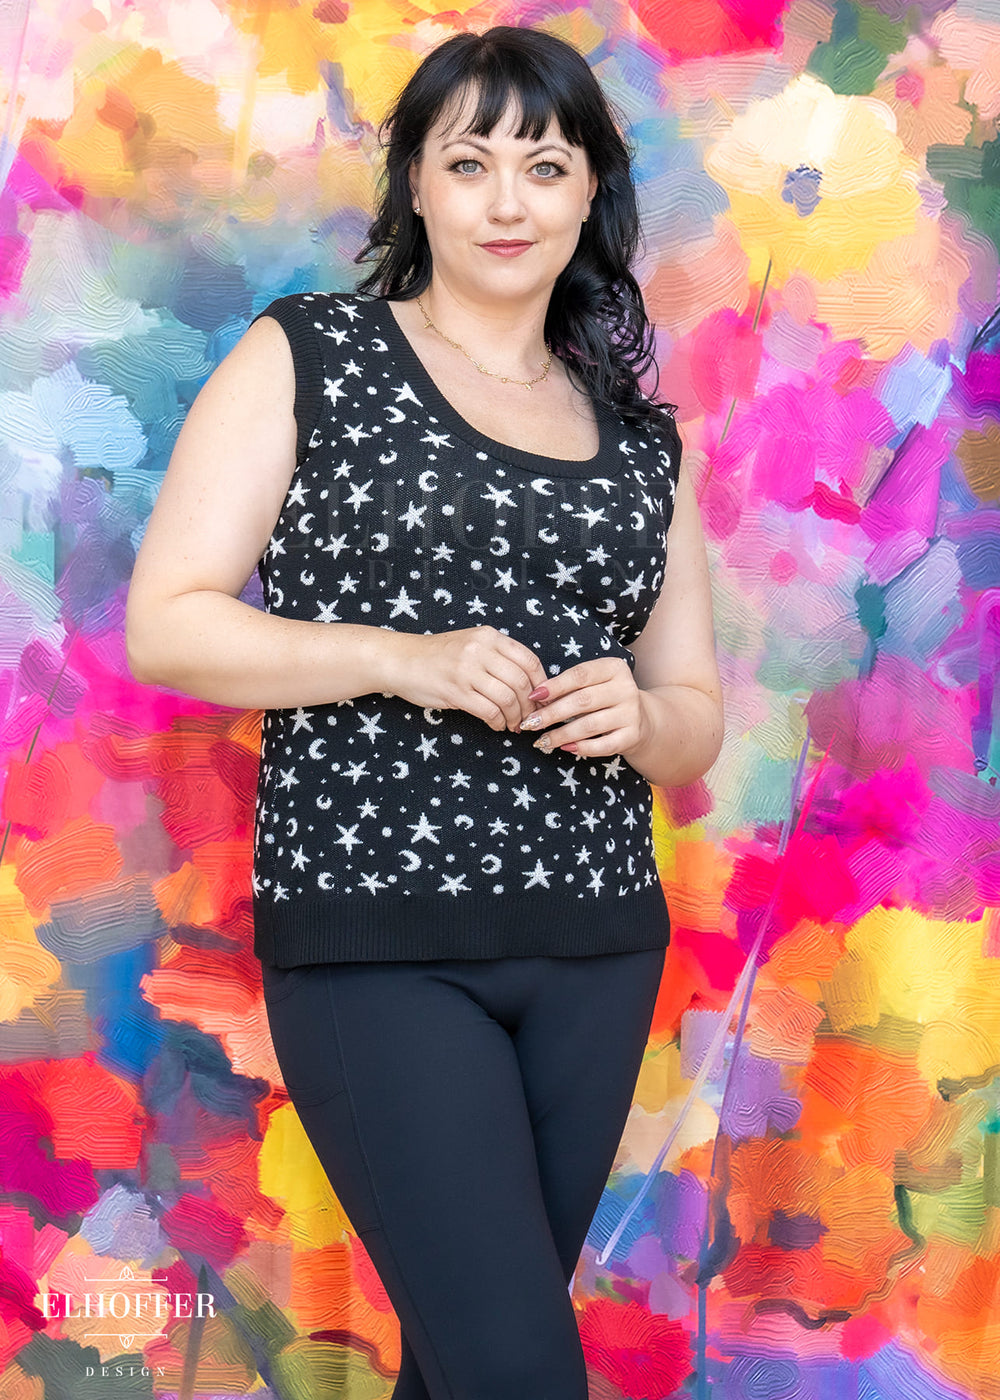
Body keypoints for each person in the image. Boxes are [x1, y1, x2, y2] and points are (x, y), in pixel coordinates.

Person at [125, 23, 722, 1399]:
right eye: (469, 163)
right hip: (379, 939)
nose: (507, 201)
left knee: (464, 1368)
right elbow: (170, 622)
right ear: (416, 187)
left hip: (593, 944)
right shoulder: (311, 356)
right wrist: (403, 656)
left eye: (545, 165)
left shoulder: (639, 437)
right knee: (517, 1371)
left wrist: (639, 713)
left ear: (592, 195)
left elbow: (693, 717)